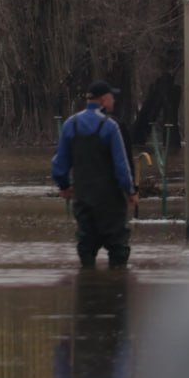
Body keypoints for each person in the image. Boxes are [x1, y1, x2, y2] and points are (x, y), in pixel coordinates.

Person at [52, 80, 139, 268]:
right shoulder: (110, 127)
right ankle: (117, 288)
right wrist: (130, 191)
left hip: (83, 199)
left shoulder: (70, 125)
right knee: (118, 250)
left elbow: (59, 163)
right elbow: (121, 166)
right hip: (110, 202)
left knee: (86, 248)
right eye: (112, 96)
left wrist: (64, 186)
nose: (114, 100)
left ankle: (87, 290)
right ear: (104, 100)